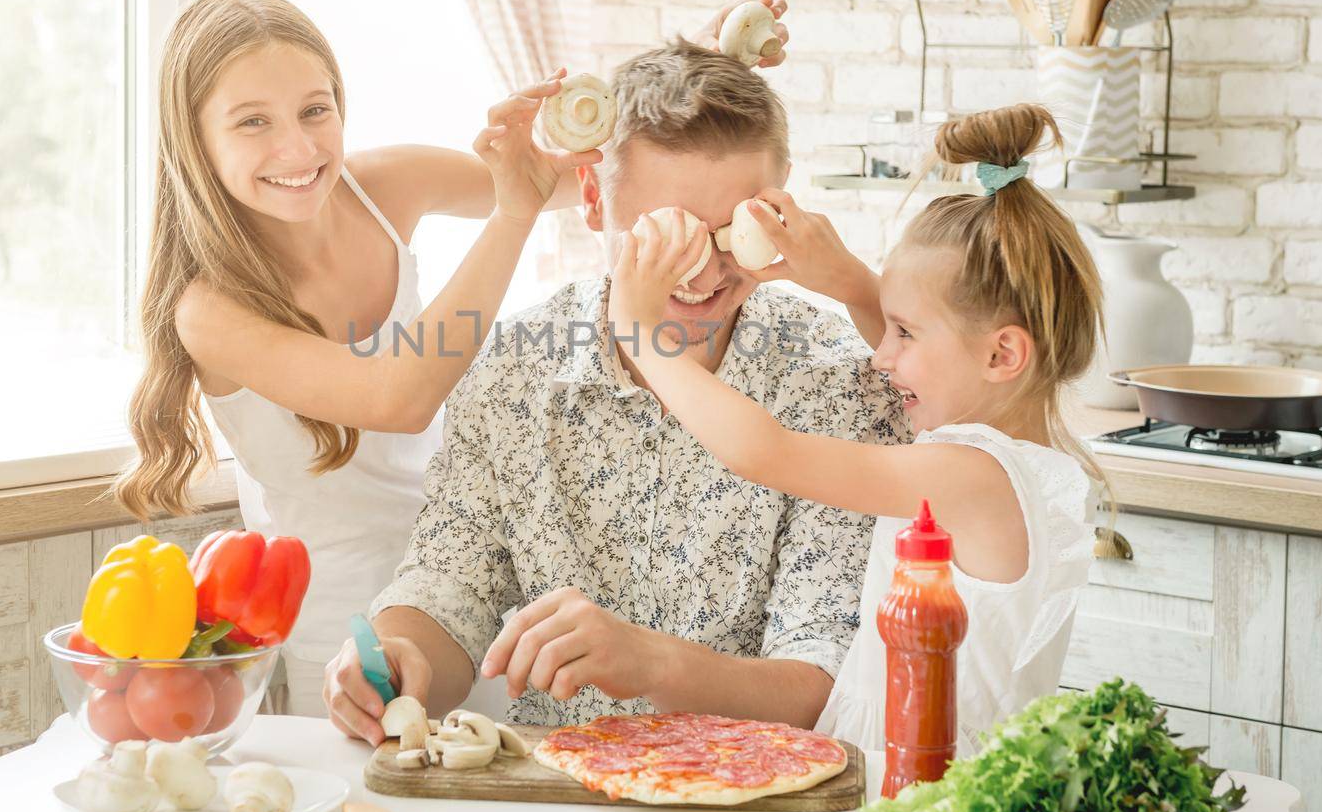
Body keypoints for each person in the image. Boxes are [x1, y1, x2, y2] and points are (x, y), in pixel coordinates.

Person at [115, 0, 786, 715]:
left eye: (316, 109)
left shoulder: (378, 187)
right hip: (353, 625)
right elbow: (399, 399)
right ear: (194, 140)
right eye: (253, 123)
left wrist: (703, 69)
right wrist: (511, 214)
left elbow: (600, 177)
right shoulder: (209, 309)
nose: (299, 149)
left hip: (475, 576)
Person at [321, 39, 907, 745]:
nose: (703, 271)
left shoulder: (839, 384)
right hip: (556, 794)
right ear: (594, 201)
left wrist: (650, 661)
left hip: (761, 804)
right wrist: (400, 652)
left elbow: (825, 684)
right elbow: (451, 584)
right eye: (664, 234)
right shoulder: (513, 369)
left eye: (734, 232)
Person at [608, 102, 1103, 753]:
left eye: (904, 332)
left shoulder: (970, 473)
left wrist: (644, 338)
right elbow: (939, 349)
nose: (880, 354)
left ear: (1002, 355)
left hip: (921, 780)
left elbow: (766, 452)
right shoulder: (1013, 454)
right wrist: (843, 278)